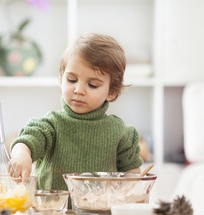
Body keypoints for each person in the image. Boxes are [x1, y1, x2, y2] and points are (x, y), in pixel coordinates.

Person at [9, 32, 143, 191]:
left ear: (112, 91)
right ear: (61, 79)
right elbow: (27, 140)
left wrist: (129, 188)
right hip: (53, 214)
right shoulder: (51, 125)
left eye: (92, 85)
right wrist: (22, 155)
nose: (78, 90)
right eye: (71, 80)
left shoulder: (121, 132)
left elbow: (133, 180)